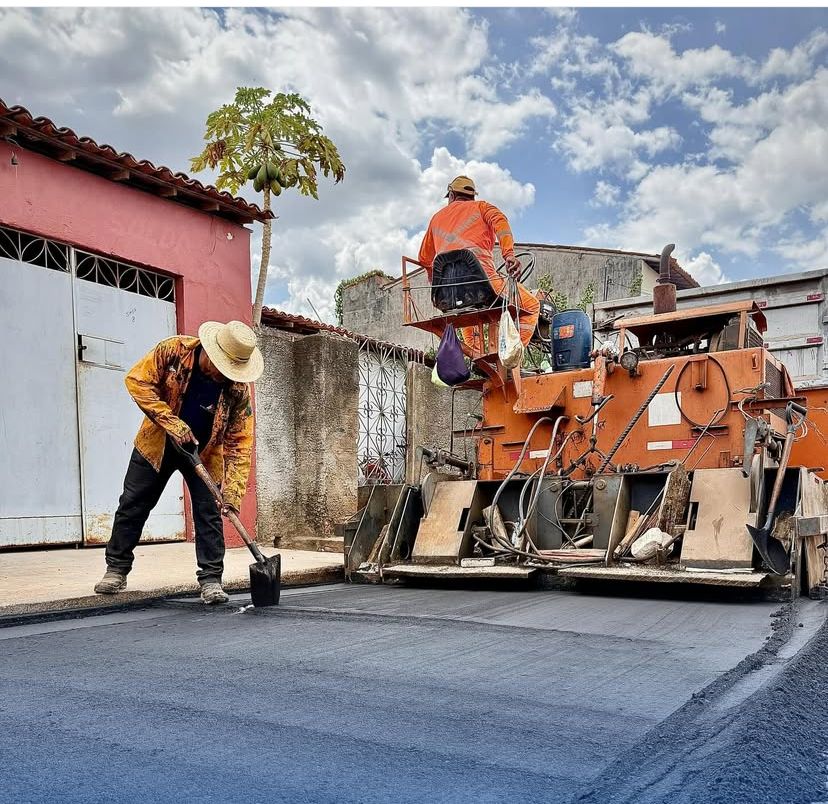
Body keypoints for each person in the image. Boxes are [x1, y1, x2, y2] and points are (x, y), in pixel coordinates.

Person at [94, 320, 264, 605]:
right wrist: (172, 423)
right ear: (210, 351)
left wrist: (233, 494)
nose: (224, 375)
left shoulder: (237, 389)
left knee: (209, 514)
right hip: (157, 443)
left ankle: (211, 580)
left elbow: (240, 443)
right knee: (133, 504)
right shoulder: (173, 351)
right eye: (223, 367)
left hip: (205, 454)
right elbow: (137, 381)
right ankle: (116, 569)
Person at [418, 175, 540, 350]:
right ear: (472, 196)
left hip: (449, 294)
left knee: (468, 312)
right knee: (532, 306)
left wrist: (435, 279)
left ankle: (478, 357)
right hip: (485, 283)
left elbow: (424, 258)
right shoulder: (482, 207)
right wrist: (509, 255)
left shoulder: (436, 219)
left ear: (451, 195)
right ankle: (512, 357)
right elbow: (501, 223)